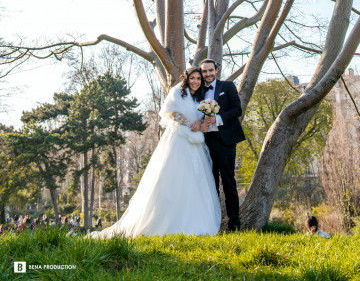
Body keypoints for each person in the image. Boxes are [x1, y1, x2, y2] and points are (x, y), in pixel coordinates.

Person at [89, 67, 221, 238]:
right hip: (178, 141)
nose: (196, 81)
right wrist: (190, 123)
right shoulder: (177, 92)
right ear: (187, 79)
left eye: (198, 79)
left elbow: (201, 123)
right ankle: (164, 222)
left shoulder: (201, 98)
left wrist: (202, 124)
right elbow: (170, 113)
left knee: (195, 180)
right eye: (193, 78)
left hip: (195, 144)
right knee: (173, 179)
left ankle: (195, 222)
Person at [194, 59, 246, 231]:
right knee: (211, 184)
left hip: (225, 141)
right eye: (204, 71)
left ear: (216, 70)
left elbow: (237, 110)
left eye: (210, 70)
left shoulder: (227, 86)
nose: (208, 74)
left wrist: (218, 118)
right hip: (206, 142)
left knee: (229, 183)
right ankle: (213, 224)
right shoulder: (198, 91)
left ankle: (234, 224)